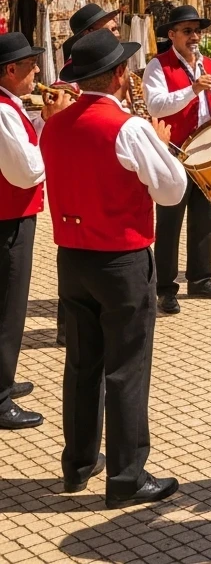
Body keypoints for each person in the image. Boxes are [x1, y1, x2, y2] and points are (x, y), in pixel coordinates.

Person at [42, 30, 186, 507]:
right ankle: (126, 475)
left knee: (82, 363)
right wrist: (162, 144)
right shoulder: (129, 127)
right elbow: (171, 191)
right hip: (121, 259)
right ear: (121, 76)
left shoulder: (54, 124)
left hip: (72, 255)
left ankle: (78, 463)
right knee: (127, 366)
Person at [142, 6, 211, 315]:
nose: (195, 36)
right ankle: (165, 288)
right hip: (174, 154)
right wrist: (192, 90)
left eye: (197, 31)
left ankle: (201, 278)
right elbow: (156, 105)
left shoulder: (209, 64)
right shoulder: (158, 65)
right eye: (187, 31)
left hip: (207, 153)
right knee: (169, 223)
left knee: (205, 218)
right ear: (172, 35)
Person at [0, 33, 70, 430]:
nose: (38, 73)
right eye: (30, 66)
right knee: (9, 309)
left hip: (12, 215)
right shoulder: (4, 111)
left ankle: (3, 379)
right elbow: (25, 171)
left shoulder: (10, 106)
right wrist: (55, 129)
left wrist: (44, 121)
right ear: (11, 70)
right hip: (9, 219)